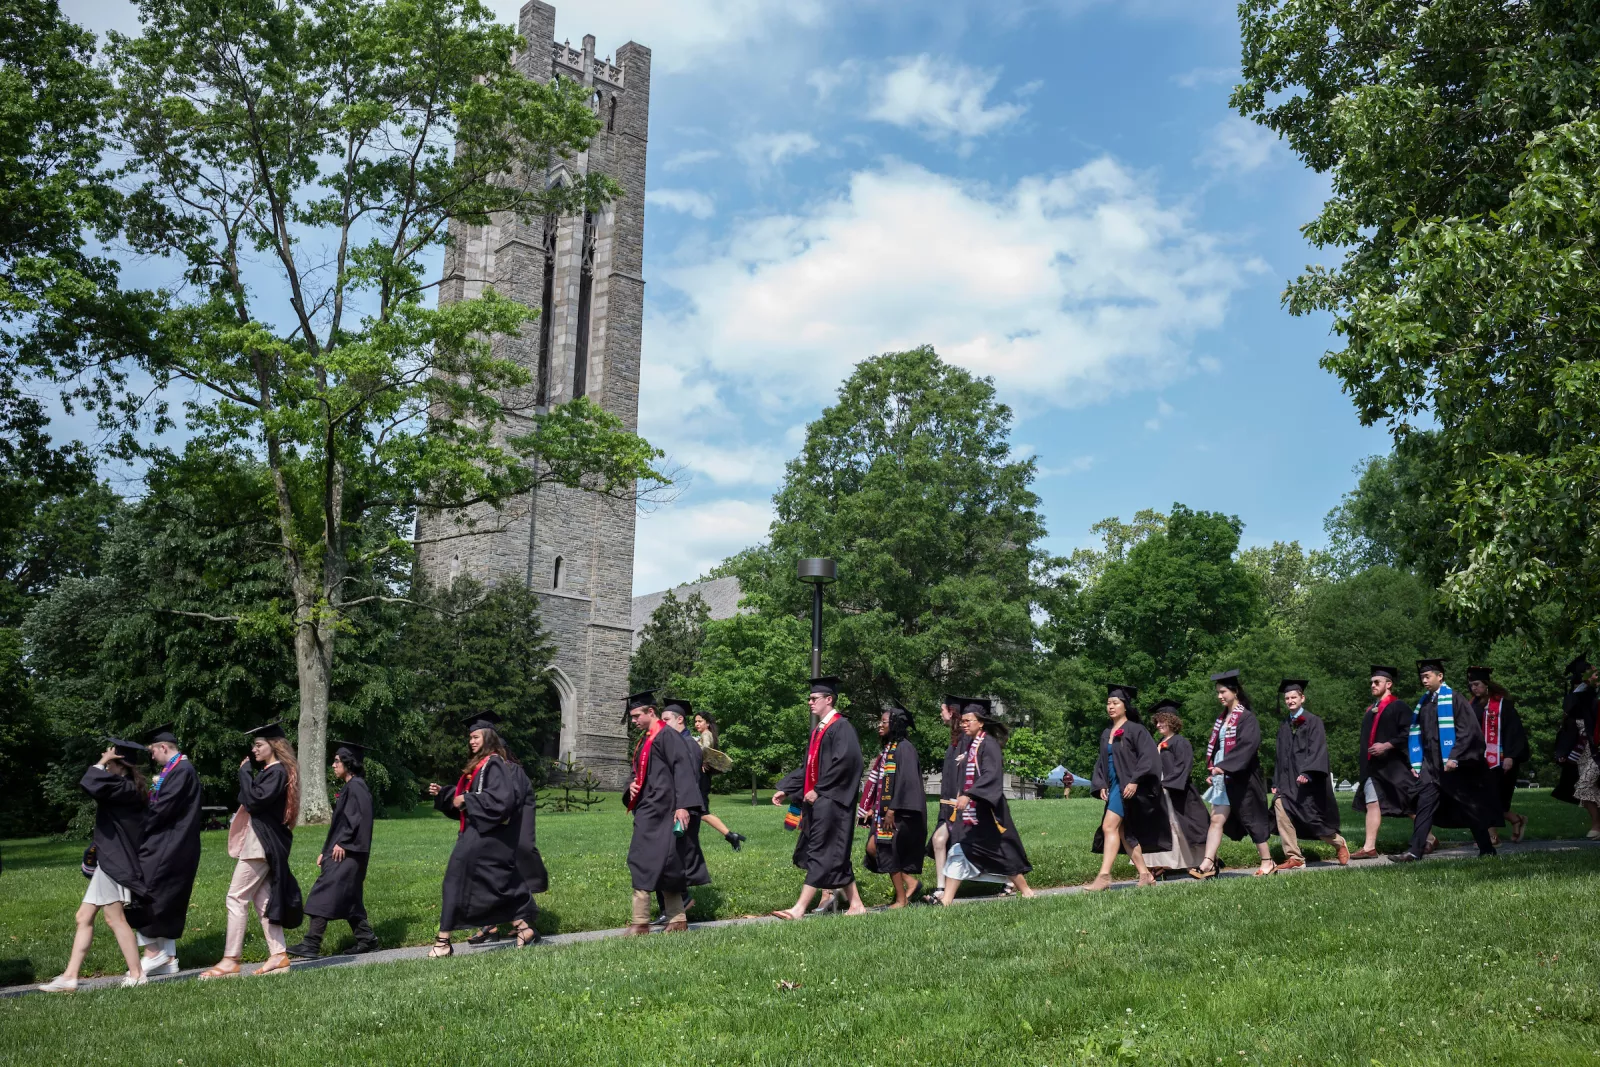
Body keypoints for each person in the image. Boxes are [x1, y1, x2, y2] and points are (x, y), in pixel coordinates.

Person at [38, 740, 151, 992]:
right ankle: (70, 976)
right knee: (84, 916)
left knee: (114, 919)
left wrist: (100, 763)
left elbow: (89, 782)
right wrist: (105, 761)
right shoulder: (126, 786)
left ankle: (137, 974)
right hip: (110, 860)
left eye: (109, 761)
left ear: (119, 765)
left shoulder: (123, 787)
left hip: (114, 862)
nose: (105, 765)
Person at [426, 711, 540, 956]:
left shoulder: (495, 763)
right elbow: (469, 799)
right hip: (476, 834)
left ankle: (442, 942)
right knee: (490, 886)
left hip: (486, 837)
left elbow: (501, 801)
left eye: (476, 736)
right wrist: (445, 795)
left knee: (455, 880)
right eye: (470, 738)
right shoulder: (480, 765)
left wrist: (465, 799)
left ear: (488, 737)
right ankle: (522, 926)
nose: (471, 741)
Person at [200, 722, 303, 979]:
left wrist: (245, 773)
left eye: (259, 745)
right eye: (254, 745)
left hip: (260, 845)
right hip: (260, 843)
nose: (254, 750)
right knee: (262, 899)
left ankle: (230, 959)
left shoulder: (277, 772)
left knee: (236, 897)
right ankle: (278, 954)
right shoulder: (272, 772)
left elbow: (255, 801)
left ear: (274, 746)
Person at [771, 677, 867, 919]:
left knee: (821, 852)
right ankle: (856, 905)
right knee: (836, 854)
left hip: (833, 801)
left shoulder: (841, 727)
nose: (809, 702)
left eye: (814, 698)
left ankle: (799, 909)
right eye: (810, 698)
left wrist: (820, 788)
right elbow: (809, 767)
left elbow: (847, 763)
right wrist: (789, 789)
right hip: (819, 801)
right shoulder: (819, 730)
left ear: (829, 699)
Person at [1393, 659, 1499, 863]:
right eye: (1422, 677)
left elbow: (1468, 732)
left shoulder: (1454, 700)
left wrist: (1455, 757)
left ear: (1440, 676)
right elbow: (1418, 735)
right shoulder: (1423, 703)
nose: (1424, 680)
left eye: (1427, 676)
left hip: (1454, 769)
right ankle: (1415, 851)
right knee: (1424, 806)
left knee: (1469, 807)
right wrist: (1417, 763)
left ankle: (1487, 849)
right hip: (1431, 768)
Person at [287, 741, 378, 959]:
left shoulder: (357, 787)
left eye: (337, 761)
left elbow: (359, 818)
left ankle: (311, 943)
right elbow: (341, 823)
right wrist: (325, 850)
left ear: (349, 763)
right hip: (342, 850)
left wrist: (343, 843)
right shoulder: (351, 786)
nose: (333, 765)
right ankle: (367, 939)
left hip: (349, 852)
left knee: (325, 891)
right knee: (349, 898)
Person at [941, 701, 1036, 903]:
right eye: (963, 721)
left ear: (981, 723)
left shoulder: (989, 744)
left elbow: (991, 775)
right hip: (972, 813)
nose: (964, 724)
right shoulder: (973, 743)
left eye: (968, 721)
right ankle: (946, 901)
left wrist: (969, 795)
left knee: (1000, 852)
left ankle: (1026, 890)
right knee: (957, 850)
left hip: (987, 811)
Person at [622, 692, 701, 934]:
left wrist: (683, 806)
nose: (633, 720)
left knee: (659, 862)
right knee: (650, 861)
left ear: (650, 712)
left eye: (636, 715)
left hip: (666, 810)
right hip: (648, 810)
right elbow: (639, 772)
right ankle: (676, 920)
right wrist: (631, 786)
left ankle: (641, 923)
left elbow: (684, 770)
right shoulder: (646, 739)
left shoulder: (667, 736)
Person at [134, 723, 204, 977]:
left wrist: (134, 826)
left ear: (164, 747)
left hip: (170, 844)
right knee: (166, 898)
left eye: (153, 751)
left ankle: (152, 954)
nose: (152, 756)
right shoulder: (176, 770)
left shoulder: (181, 771)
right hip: (174, 843)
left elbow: (162, 809)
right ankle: (169, 959)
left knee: (145, 894)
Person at [1084, 685, 1167, 891]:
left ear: (1125, 706)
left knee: (1109, 826)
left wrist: (1135, 780)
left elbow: (1149, 757)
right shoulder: (1106, 733)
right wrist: (1100, 782)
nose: (1110, 707)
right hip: (1113, 786)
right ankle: (1145, 874)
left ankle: (1104, 877)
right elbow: (1101, 762)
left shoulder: (1136, 730)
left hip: (1127, 787)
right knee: (1123, 832)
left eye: (1115, 703)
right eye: (1108, 703)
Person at [1194, 670, 1275, 878]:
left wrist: (1225, 766)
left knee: (1251, 817)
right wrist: (1213, 767)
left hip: (1243, 776)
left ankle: (1268, 861)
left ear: (1235, 691)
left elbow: (1248, 746)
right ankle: (1208, 863)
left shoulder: (1246, 717)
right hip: (1224, 776)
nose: (1219, 696)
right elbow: (1217, 746)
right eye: (1218, 692)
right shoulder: (1221, 719)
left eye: (1223, 692)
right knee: (1216, 819)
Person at [1271, 680, 1350, 868]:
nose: (1290, 701)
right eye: (1287, 698)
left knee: (1311, 819)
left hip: (1307, 781)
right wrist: (1276, 781)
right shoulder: (1284, 725)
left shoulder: (1313, 721)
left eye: (1293, 697)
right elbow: (1280, 755)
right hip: (1287, 781)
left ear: (1302, 698)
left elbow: (1318, 749)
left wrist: (1308, 772)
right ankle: (1294, 857)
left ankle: (1339, 843)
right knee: (1280, 809)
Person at [859, 704, 926, 908]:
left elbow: (906, 782)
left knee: (885, 849)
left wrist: (892, 810)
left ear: (895, 724)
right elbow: (884, 783)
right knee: (875, 847)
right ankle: (909, 883)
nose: (880, 725)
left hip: (900, 813)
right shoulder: (890, 749)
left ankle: (901, 899)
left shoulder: (904, 748)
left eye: (884, 722)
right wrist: (873, 808)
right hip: (886, 812)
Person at [1351, 666, 1416, 857]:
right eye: (1371, 682)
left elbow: (1409, 734)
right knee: (1372, 803)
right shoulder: (1371, 709)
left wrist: (1387, 745)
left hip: (1393, 766)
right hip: (1373, 766)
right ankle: (1369, 847)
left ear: (1389, 684)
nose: (1372, 685)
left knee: (1406, 802)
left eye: (1376, 682)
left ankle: (1428, 837)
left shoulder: (1399, 706)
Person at [656, 699, 711, 924]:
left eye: (666, 719)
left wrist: (683, 808)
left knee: (670, 860)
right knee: (667, 859)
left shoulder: (686, 744)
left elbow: (689, 781)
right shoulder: (680, 742)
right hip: (679, 810)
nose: (662, 723)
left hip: (684, 811)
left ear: (680, 719)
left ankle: (680, 903)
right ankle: (674, 906)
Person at [1466, 666, 1530, 845]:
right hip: (1479, 760)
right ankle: (1513, 821)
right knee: (1483, 798)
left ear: (1486, 684)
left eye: (1477, 684)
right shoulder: (1472, 706)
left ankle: (1499, 831)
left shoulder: (1503, 705)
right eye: (1471, 685)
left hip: (1501, 761)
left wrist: (1511, 756)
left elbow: (1514, 732)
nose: (1474, 688)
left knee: (1493, 799)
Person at [1151, 701, 1209, 873]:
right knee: (1163, 827)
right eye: (1157, 722)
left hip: (1178, 791)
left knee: (1182, 826)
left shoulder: (1180, 742)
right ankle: (1165, 863)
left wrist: (1167, 784)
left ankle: (1196, 861)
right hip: (1161, 792)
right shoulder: (1159, 743)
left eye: (1162, 721)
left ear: (1172, 721)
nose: (1158, 724)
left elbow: (1183, 766)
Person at [924, 695, 966, 904]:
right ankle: (941, 887)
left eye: (943, 710)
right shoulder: (954, 740)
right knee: (939, 840)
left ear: (952, 712)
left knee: (974, 846)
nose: (941, 714)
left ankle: (1008, 877)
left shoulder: (967, 739)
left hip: (961, 805)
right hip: (947, 805)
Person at [1553, 657, 1600, 839]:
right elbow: (1570, 724)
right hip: (1583, 749)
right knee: (1587, 787)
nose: (1598, 675)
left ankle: (1597, 825)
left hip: (1596, 749)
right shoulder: (1579, 696)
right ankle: (1596, 824)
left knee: (1585, 784)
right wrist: (1562, 751)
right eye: (1594, 672)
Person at [692, 712, 746, 850]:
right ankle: (731, 836)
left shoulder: (706, 734)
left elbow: (705, 748)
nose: (697, 724)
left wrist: (703, 759)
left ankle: (731, 836)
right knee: (699, 812)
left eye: (700, 721)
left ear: (707, 723)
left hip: (701, 777)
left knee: (702, 813)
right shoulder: (707, 734)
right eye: (695, 721)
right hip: (702, 776)